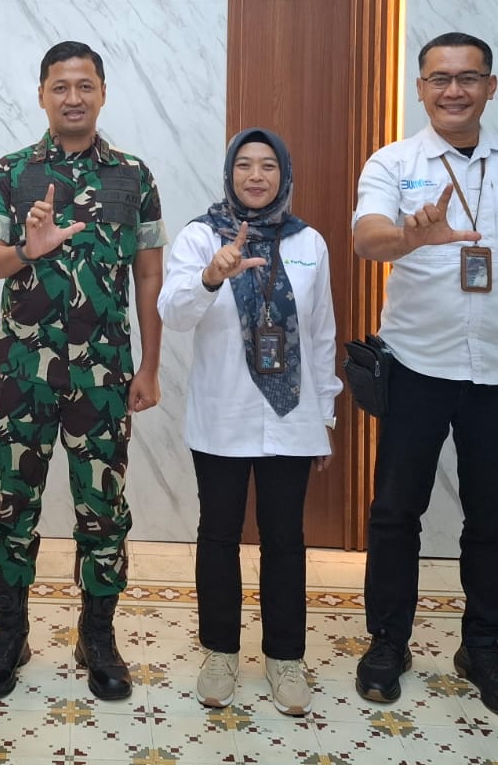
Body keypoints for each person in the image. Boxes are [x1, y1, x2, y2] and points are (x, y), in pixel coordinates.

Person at [351, 32, 498, 718]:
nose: (453, 90)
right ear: (420, 88)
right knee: (394, 513)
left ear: (490, 87)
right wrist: (411, 236)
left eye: (468, 78)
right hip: (416, 364)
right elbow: (366, 239)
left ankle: (484, 647)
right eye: (439, 78)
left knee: (494, 519)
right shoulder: (394, 161)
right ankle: (389, 642)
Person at [0, 40, 167, 702]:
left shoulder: (133, 177)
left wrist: (150, 366)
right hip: (22, 376)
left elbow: (149, 275)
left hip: (104, 377)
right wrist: (28, 249)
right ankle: (10, 635)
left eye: (85, 86)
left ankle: (97, 637)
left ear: (102, 93)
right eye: (61, 86)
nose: (73, 97)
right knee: (11, 505)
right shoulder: (9, 172)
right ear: (42, 95)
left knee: (103, 510)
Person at [158, 128, 340, 715]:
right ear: (229, 174)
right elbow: (172, 313)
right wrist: (212, 276)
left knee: (285, 539)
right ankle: (220, 653)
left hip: (293, 418)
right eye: (244, 165)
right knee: (218, 536)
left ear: (284, 174)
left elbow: (321, 333)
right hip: (223, 415)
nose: (255, 176)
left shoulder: (309, 241)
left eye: (267, 166)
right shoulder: (200, 236)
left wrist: (325, 414)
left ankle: (285, 657)